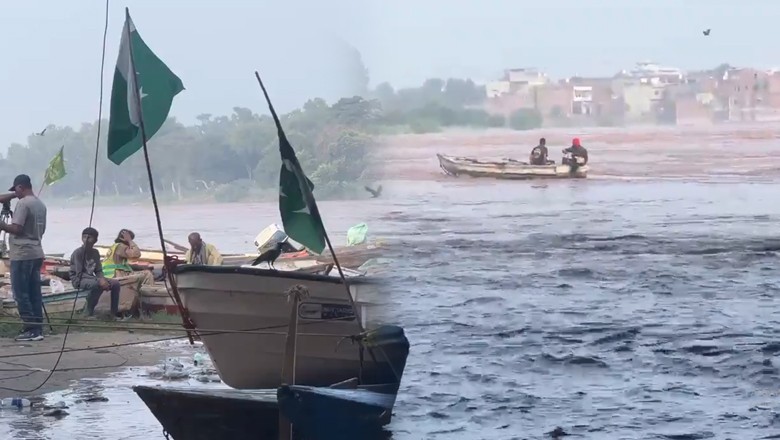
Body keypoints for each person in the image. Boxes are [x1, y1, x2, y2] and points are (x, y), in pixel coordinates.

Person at [0, 174, 47, 341]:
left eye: (16, 190)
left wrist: (2, 225)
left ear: (20, 187)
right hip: (36, 252)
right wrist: (12, 195)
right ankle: (37, 329)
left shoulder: (23, 204)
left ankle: (30, 329)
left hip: (22, 254)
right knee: (34, 292)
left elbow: (17, 228)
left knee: (21, 293)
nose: (15, 194)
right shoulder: (40, 204)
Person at [70, 227, 123, 320]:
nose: (86, 240)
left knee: (116, 284)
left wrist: (102, 278)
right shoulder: (77, 253)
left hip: (91, 278)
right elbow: (79, 274)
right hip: (78, 279)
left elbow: (98, 270)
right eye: (84, 237)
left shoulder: (95, 252)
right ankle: (88, 312)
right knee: (98, 285)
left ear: (95, 240)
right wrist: (99, 281)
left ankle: (113, 314)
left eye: (89, 237)